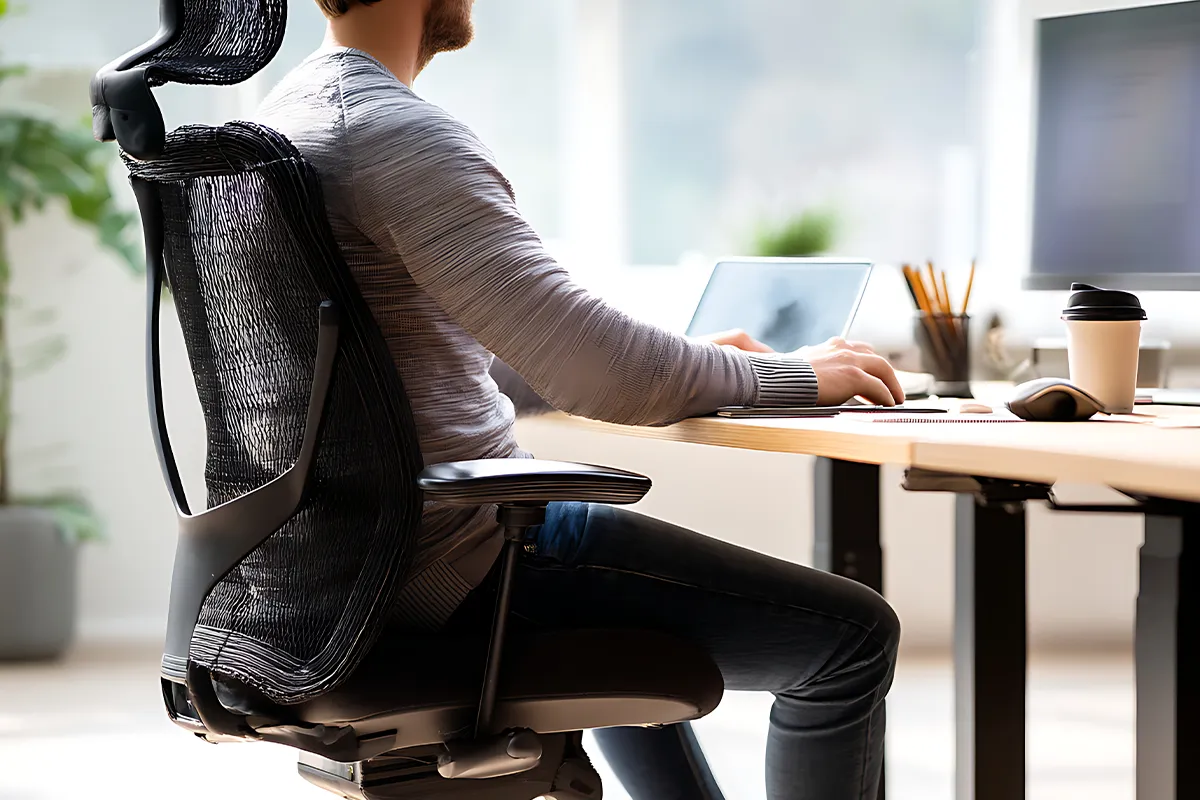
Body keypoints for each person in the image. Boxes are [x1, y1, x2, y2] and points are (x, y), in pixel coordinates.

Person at [256, 2, 902, 798]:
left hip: (346, 560)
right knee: (853, 637)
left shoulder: (285, 121)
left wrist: (693, 361)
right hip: (462, 561)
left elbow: (418, 366)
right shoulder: (393, 133)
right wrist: (801, 377)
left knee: (628, 625)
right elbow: (610, 380)